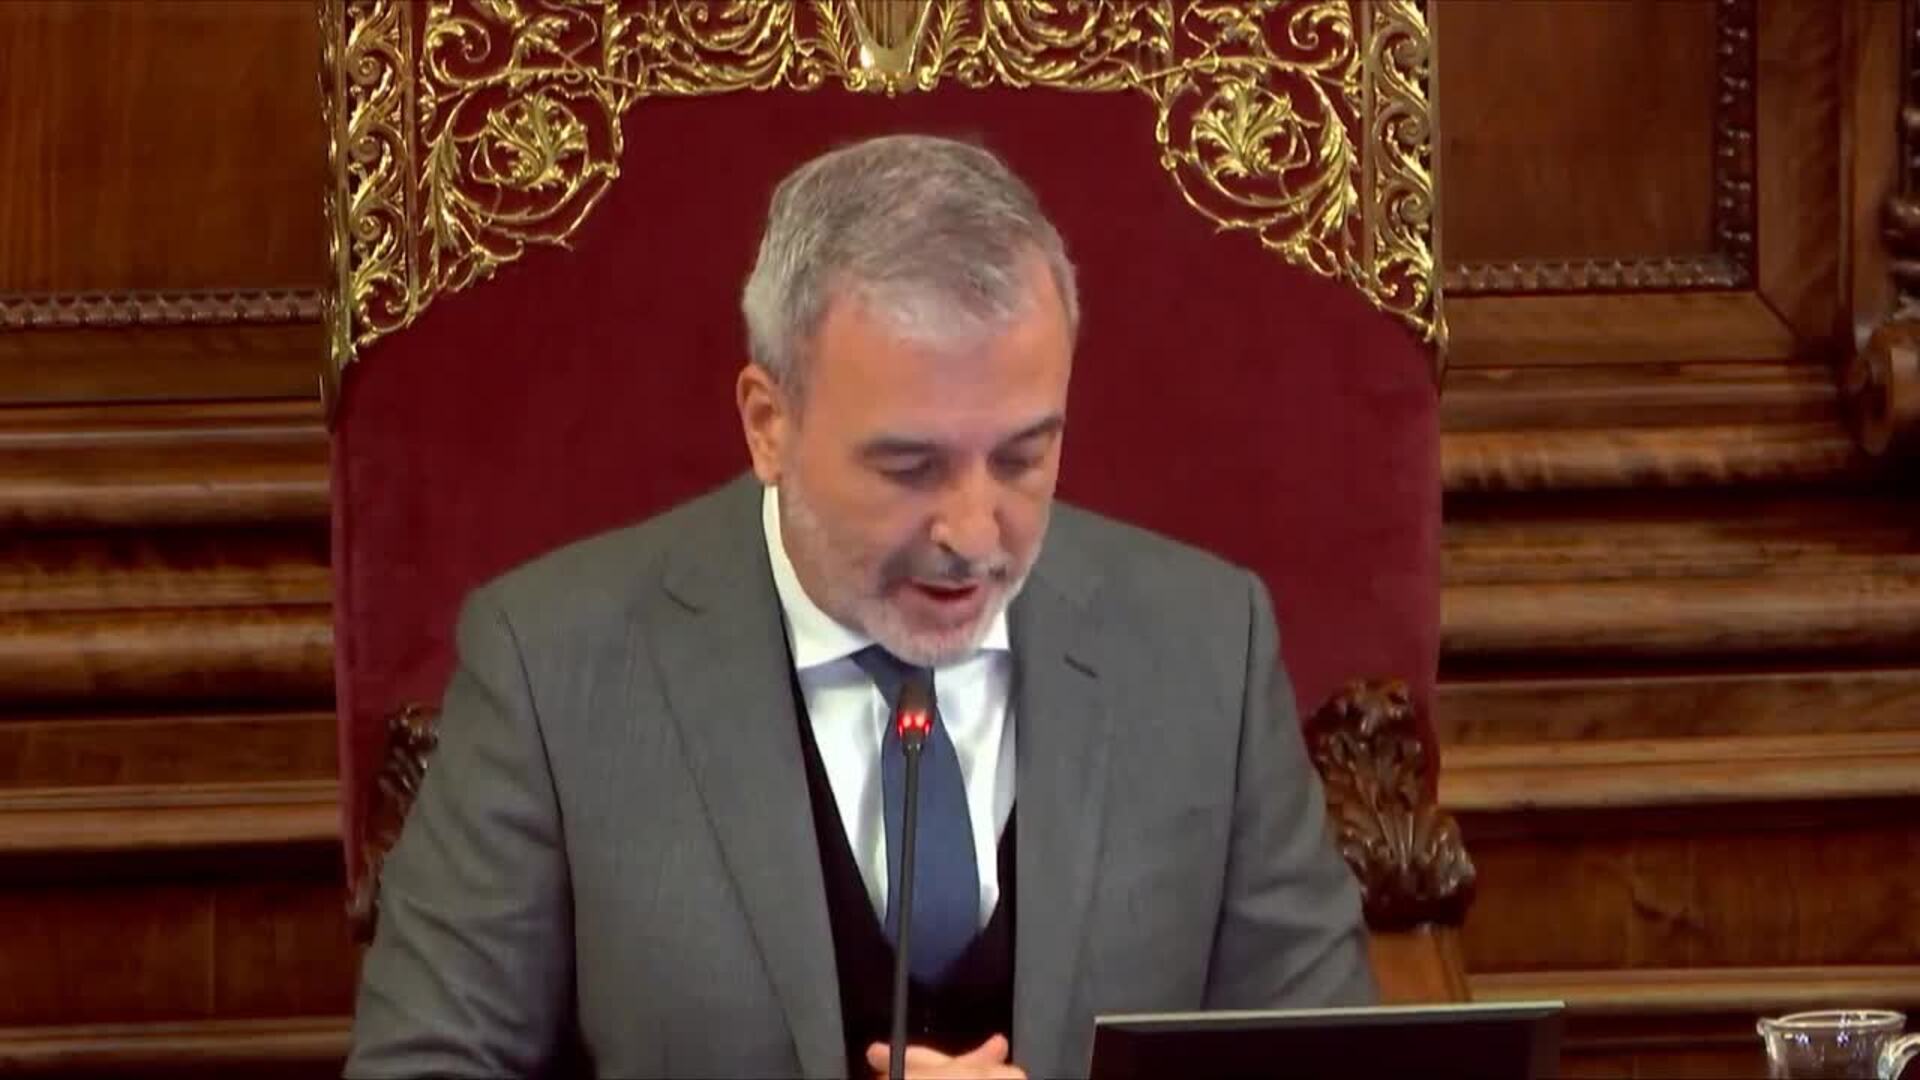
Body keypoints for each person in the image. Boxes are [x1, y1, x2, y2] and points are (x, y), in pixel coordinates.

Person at [346, 133, 1373, 1080]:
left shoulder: (1207, 646)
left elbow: (1331, 1064)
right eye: (910, 467)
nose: (973, 531)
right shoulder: (553, 666)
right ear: (768, 423)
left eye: (1024, 456)